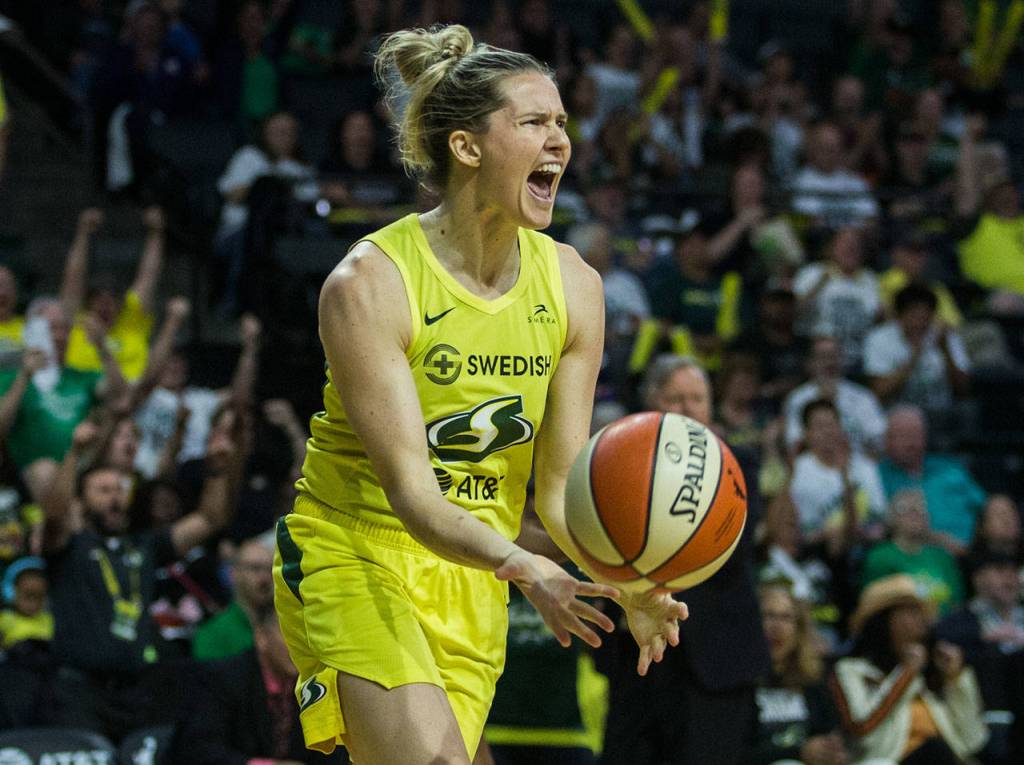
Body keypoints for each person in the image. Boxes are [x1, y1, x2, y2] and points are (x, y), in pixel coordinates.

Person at [272, 24, 684, 765]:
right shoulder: (370, 283)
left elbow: (556, 490)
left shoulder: (575, 288)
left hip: (474, 574)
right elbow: (414, 495)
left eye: (562, 122)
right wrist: (531, 568)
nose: (560, 140)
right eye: (534, 122)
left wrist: (625, 580)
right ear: (467, 147)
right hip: (354, 553)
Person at [600, 355, 769, 765]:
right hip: (636, 653)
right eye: (675, 398)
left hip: (716, 658)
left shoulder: (737, 464)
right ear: (650, 405)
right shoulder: (617, 461)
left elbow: (733, 548)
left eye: (698, 398)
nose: (689, 408)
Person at [40, 418, 241, 742]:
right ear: (82, 500)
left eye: (120, 489)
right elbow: (53, 515)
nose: (115, 498)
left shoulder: (144, 546)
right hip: (76, 691)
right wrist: (74, 455)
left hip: (135, 690)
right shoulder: (69, 547)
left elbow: (209, 519)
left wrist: (217, 471)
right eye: (103, 491)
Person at [832, 574, 988, 764]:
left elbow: (971, 741)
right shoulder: (851, 670)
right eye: (911, 611)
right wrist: (905, 674)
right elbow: (863, 730)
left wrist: (955, 679)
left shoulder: (928, 675)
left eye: (922, 613)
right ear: (883, 621)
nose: (922, 620)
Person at [170, 607, 349, 764]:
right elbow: (198, 750)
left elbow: (334, 753)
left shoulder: (316, 684)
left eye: (307, 635)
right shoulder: (222, 679)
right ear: (261, 637)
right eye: (290, 634)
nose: (302, 646)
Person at [0, 297, 127, 503]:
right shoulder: (11, 378)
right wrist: (24, 377)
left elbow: (121, 398)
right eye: (52, 328)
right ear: (33, 331)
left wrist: (102, 347)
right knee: (45, 470)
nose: (60, 336)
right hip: (30, 474)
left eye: (65, 329)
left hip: (84, 466)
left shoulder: (81, 376)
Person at [60, 206, 168, 382]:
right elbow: (73, 277)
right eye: (98, 301)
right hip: (85, 400)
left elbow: (149, 274)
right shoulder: (76, 322)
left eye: (111, 301)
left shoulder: (132, 321)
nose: (105, 306)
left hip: (131, 397)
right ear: (88, 304)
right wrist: (83, 233)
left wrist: (156, 233)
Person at [744, 584, 848, 765]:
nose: (777, 627)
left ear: (799, 629)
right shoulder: (739, 684)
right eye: (768, 615)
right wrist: (798, 752)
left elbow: (829, 732)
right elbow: (734, 753)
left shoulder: (813, 680)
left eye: (786, 618)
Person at [878, 405, 986, 555]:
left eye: (916, 434)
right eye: (903, 435)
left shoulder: (950, 468)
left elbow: (985, 507)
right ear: (886, 440)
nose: (911, 442)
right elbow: (881, 527)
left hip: (973, 555)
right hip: (914, 557)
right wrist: (937, 539)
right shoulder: (878, 476)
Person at [788, 398, 887, 555]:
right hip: (818, 553)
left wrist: (845, 475)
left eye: (832, 424)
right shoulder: (798, 471)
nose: (828, 431)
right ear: (806, 433)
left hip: (866, 549)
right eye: (820, 426)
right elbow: (801, 533)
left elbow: (879, 522)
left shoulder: (865, 467)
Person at [863, 284, 970, 424]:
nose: (920, 323)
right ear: (898, 316)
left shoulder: (945, 337)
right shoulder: (879, 339)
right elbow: (879, 392)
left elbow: (964, 389)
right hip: (897, 417)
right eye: (914, 316)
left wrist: (946, 351)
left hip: (940, 415)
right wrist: (913, 358)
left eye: (925, 317)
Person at [862, 489, 965, 617]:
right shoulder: (880, 557)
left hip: (944, 627)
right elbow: (874, 601)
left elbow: (956, 603)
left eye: (921, 508)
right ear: (891, 518)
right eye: (904, 508)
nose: (915, 513)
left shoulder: (942, 557)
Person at [782, 334, 886, 456]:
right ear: (810, 363)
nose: (829, 363)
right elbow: (794, 443)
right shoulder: (797, 399)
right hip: (814, 467)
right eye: (823, 357)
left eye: (834, 356)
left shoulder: (862, 397)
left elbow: (879, 439)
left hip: (857, 465)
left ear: (842, 360)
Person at [193, 534, 275, 661]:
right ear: (234, 574)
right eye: (255, 568)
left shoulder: (289, 626)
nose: (265, 578)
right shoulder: (212, 635)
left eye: (270, 569)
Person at [0, 556, 53, 650]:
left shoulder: (48, 620)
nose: (33, 603)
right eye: (28, 596)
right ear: (11, 593)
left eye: (39, 597)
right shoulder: (5, 619)